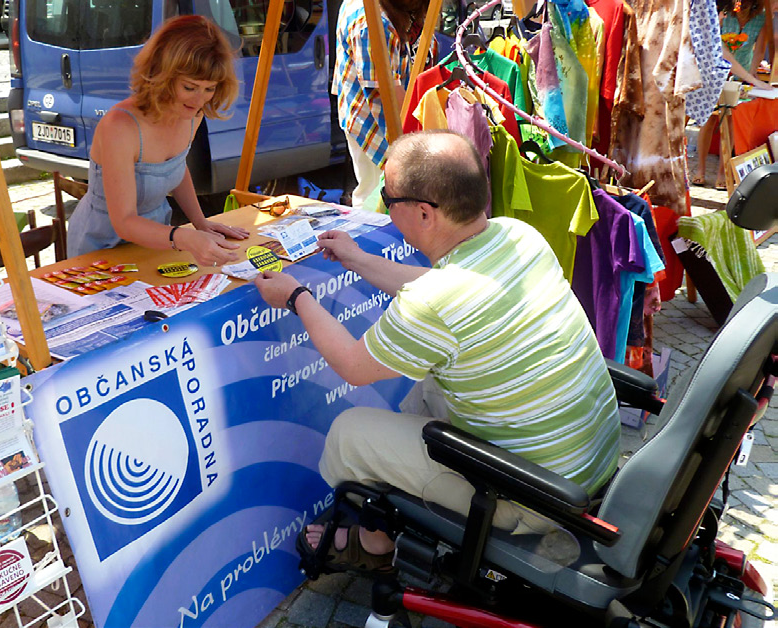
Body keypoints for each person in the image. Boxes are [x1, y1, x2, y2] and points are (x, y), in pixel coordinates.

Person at [254, 130, 621, 570]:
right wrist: (358, 259)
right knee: (428, 381)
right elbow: (438, 290)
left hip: (532, 498)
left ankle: (374, 544)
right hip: (587, 464)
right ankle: (396, 505)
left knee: (348, 433)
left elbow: (353, 365)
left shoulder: (436, 303)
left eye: (389, 199)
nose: (386, 207)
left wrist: (298, 297)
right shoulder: (517, 236)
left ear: (424, 213)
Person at [67, 15, 249, 265]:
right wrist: (184, 237)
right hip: (100, 245)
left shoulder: (193, 114)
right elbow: (125, 222)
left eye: (209, 89)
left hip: (157, 238)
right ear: (163, 75)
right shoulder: (120, 127)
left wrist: (201, 223)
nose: (199, 100)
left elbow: (176, 166)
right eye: (190, 87)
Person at [333, 0, 434, 207]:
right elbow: (384, 92)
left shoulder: (367, 9)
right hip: (374, 122)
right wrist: (413, 139)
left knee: (382, 195)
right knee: (377, 198)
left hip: (372, 113)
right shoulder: (371, 20)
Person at [695, 0, 772, 188]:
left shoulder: (761, 18)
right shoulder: (723, 12)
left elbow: (759, 49)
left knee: (730, 121)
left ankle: (723, 172)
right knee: (708, 119)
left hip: (742, 72)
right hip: (713, 72)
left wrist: (752, 75)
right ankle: (700, 169)